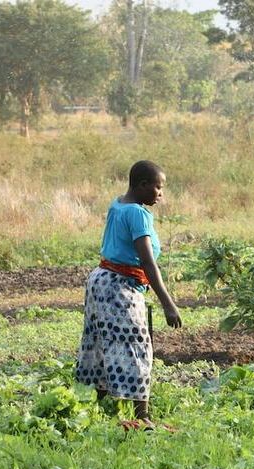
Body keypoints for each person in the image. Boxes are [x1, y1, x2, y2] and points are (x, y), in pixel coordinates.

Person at [76, 160, 182, 431]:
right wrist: (168, 304)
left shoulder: (118, 204)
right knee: (137, 345)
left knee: (101, 341)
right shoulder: (137, 213)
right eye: (158, 188)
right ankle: (141, 414)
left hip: (102, 281)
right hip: (120, 286)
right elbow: (147, 261)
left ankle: (95, 406)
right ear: (142, 185)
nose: (161, 194)